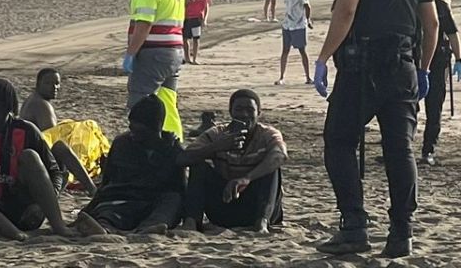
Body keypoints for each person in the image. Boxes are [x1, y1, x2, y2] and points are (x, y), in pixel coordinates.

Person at [315, 0, 437, 257]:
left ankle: (354, 225)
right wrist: (424, 68)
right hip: (402, 63)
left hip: (362, 64)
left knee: (339, 141)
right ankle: (402, 232)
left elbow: (347, 8)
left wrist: (322, 57)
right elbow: (430, 22)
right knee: (399, 149)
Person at [0, 77, 103, 240]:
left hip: (24, 212)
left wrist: (41, 206)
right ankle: (15, 234)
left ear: (6, 107)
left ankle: (59, 226)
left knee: (30, 156)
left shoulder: (26, 130)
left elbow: (55, 173)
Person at [183, 87, 287, 233]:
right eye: (239, 109)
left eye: (250, 110)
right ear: (231, 112)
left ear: (259, 113)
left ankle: (262, 223)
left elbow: (280, 155)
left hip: (256, 206)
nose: (244, 115)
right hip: (224, 205)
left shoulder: (267, 134)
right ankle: (192, 221)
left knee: (272, 169)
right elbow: (183, 157)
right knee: (198, 164)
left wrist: (247, 178)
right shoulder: (218, 133)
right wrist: (216, 147)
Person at [84, 94, 184, 233]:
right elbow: (107, 183)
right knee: (108, 213)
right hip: (123, 199)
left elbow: (179, 188)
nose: (133, 135)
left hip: (152, 201)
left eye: (140, 131)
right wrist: (88, 210)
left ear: (156, 129)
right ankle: (104, 228)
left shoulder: (172, 149)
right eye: (132, 129)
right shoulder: (121, 144)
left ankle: (150, 228)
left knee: (173, 200)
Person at [124, 0, 185, 137]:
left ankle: (142, 145)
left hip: (153, 53)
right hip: (175, 52)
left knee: (139, 103)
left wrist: (131, 53)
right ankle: (174, 141)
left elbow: (144, 24)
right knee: (168, 101)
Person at [16, 67, 96, 190]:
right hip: (37, 161)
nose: (54, 87)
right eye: (48, 83)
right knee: (62, 147)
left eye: (57, 83)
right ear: (38, 84)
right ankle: (91, 188)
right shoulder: (41, 104)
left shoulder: (32, 99)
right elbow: (51, 137)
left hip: (31, 155)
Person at [421, 0, 461, 166]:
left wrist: (459, 58)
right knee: (405, 107)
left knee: (434, 106)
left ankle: (428, 149)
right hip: (411, 60)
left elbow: (452, 34)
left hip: (437, 61)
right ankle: (399, 147)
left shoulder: (440, 6)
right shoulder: (410, 3)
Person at [275, 0, 312, 84]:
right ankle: (281, 77)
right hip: (287, 24)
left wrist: (308, 19)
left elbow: (307, 6)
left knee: (302, 50)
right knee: (285, 50)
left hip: (299, 24)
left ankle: (308, 77)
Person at [184, 0, 212, 65]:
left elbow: (206, 6)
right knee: (185, 38)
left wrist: (205, 19)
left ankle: (195, 58)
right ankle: (187, 58)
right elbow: (182, 3)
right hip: (187, 18)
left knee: (196, 38)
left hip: (197, 18)